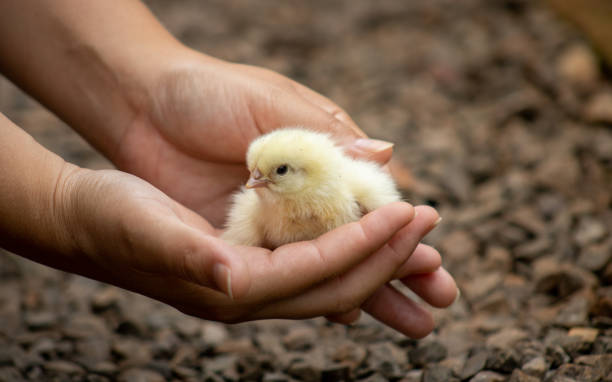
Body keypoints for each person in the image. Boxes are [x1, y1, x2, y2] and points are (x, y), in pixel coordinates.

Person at [0, 1, 458, 338]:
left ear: (308, 170)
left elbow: (381, 201)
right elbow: (241, 237)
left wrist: (146, 90)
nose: (254, 182)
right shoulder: (263, 202)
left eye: (273, 172)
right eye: (254, 171)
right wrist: (59, 206)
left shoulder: (345, 184)